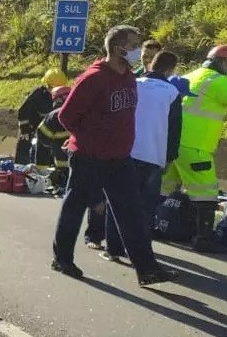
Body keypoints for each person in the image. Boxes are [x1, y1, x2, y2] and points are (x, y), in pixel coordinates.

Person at [50, 25, 177, 285]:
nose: (137, 50)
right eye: (133, 45)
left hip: (120, 158)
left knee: (131, 212)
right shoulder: (93, 78)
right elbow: (66, 116)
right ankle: (62, 259)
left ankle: (147, 269)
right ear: (119, 48)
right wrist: (89, 140)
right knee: (75, 206)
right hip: (89, 156)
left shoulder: (129, 76)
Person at [92, 50, 184, 261]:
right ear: (171, 69)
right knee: (145, 208)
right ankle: (141, 253)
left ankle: (113, 250)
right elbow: (175, 130)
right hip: (154, 156)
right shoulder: (172, 92)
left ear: (151, 63)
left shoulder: (133, 83)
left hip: (126, 152)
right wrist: (170, 157)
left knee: (119, 202)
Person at [161, 45, 227, 253]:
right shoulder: (218, 82)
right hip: (195, 147)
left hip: (171, 143)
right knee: (207, 194)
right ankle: (203, 240)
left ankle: (157, 227)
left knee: (164, 188)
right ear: (224, 62)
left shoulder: (192, 75)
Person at [16, 68, 70, 164]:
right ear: (47, 86)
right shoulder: (38, 95)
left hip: (48, 131)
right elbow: (23, 112)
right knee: (25, 151)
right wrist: (26, 131)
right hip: (31, 129)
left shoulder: (62, 97)